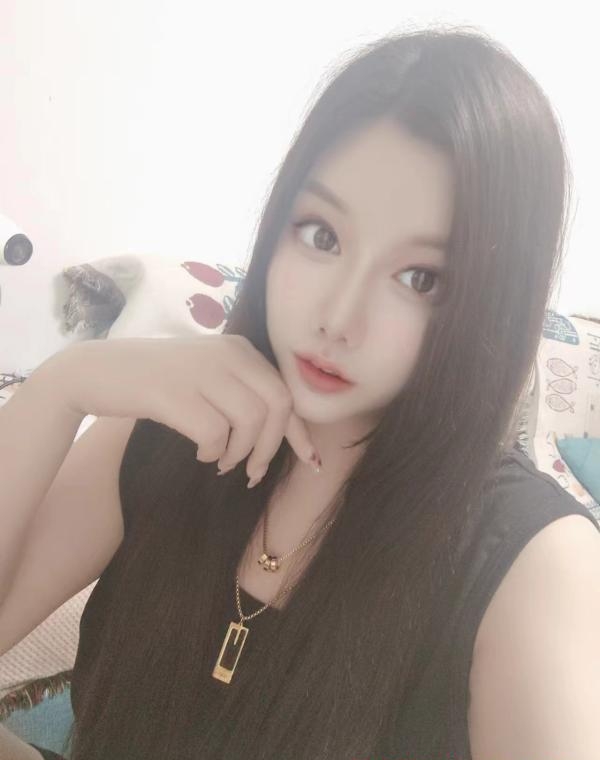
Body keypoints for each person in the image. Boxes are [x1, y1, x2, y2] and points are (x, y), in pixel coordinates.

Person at [1, 23, 599, 760]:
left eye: (421, 279)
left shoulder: (535, 566)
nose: (338, 318)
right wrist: (65, 385)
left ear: (493, 310)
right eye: (321, 235)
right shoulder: (171, 428)